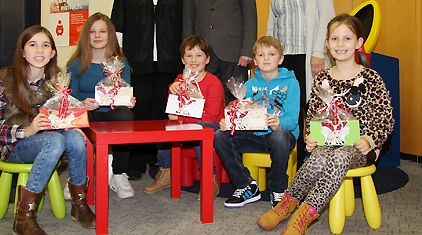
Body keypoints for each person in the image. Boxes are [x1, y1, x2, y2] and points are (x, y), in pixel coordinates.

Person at [257, 14, 395, 234]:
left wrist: (369, 139)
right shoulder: (323, 79)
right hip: (328, 144)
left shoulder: (371, 78)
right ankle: (286, 205)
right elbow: (313, 116)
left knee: (340, 156)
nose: (340, 44)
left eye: (347, 39)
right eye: (335, 39)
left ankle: (303, 217)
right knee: (320, 156)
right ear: (327, 44)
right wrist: (311, 136)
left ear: (359, 43)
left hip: (360, 148)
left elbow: (384, 118)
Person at [0, 26, 95, 234]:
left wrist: (73, 123)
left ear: (53, 53)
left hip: (52, 143)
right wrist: (26, 131)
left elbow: (64, 115)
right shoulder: (4, 81)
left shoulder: (58, 82)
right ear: (23, 52)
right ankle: (24, 217)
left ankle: (79, 205)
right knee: (55, 141)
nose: (40, 50)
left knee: (76, 139)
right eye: (32, 45)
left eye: (46, 45)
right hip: (15, 147)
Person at [111, 0, 185, 178]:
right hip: (137, 54)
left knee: (162, 109)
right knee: (139, 108)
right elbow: (119, 14)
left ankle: (158, 161)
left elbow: (183, 18)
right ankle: (135, 161)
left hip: (168, 55)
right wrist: (118, 51)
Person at [267, 0, 336, 168]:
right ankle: (288, 167)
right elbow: (272, 22)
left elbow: (327, 15)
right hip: (283, 58)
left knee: (313, 110)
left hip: (308, 56)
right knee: (289, 113)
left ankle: (313, 166)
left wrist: (319, 52)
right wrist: (268, 56)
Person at [214, 36, 300, 209]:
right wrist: (230, 122)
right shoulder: (249, 85)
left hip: (281, 137)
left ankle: (278, 189)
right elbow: (241, 114)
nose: (266, 58)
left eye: (271, 54)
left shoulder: (291, 83)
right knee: (220, 136)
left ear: (281, 59)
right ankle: (246, 185)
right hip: (254, 136)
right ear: (254, 60)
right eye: (261, 55)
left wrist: (279, 122)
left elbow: (293, 117)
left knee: (280, 136)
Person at [144, 36, 224, 200]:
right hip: (188, 125)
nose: (194, 60)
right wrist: (171, 92)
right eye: (189, 55)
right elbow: (171, 113)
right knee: (164, 128)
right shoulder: (179, 81)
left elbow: (210, 116)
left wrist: (181, 120)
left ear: (207, 59)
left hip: (212, 128)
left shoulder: (213, 83)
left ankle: (210, 179)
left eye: (199, 55)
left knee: (199, 130)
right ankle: (165, 171)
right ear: (182, 60)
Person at [66, 12, 136, 199]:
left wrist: (128, 100)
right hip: (86, 116)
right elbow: (68, 100)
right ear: (86, 36)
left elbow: (126, 92)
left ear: (110, 35)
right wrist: (81, 103)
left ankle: (119, 173)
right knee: (76, 121)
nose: (97, 36)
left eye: (102, 31)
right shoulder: (75, 66)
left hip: (112, 116)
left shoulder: (121, 65)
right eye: (92, 32)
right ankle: (76, 177)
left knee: (125, 116)